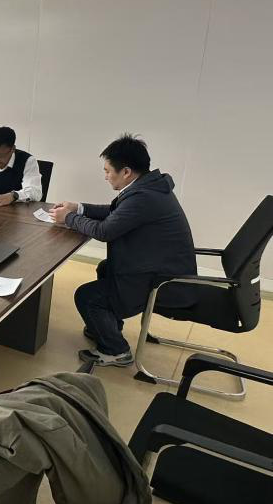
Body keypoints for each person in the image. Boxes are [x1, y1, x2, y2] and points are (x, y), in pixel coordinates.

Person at [50, 134, 196, 367]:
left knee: (87, 297)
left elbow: (105, 231)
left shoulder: (143, 198)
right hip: (159, 267)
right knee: (105, 267)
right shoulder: (150, 188)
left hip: (161, 281)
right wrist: (79, 208)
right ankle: (107, 326)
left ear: (126, 172)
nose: (106, 176)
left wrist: (69, 218)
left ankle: (116, 351)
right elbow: (116, 213)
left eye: (108, 171)